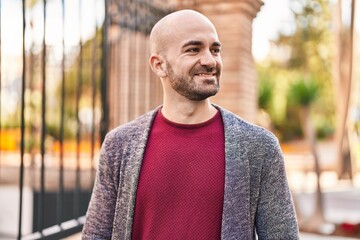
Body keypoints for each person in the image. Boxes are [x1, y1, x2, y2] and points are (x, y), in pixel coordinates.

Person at [82, 9, 299, 240]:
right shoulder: (119, 145)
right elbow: (96, 234)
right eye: (193, 49)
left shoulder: (258, 147)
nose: (209, 60)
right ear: (159, 65)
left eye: (215, 50)